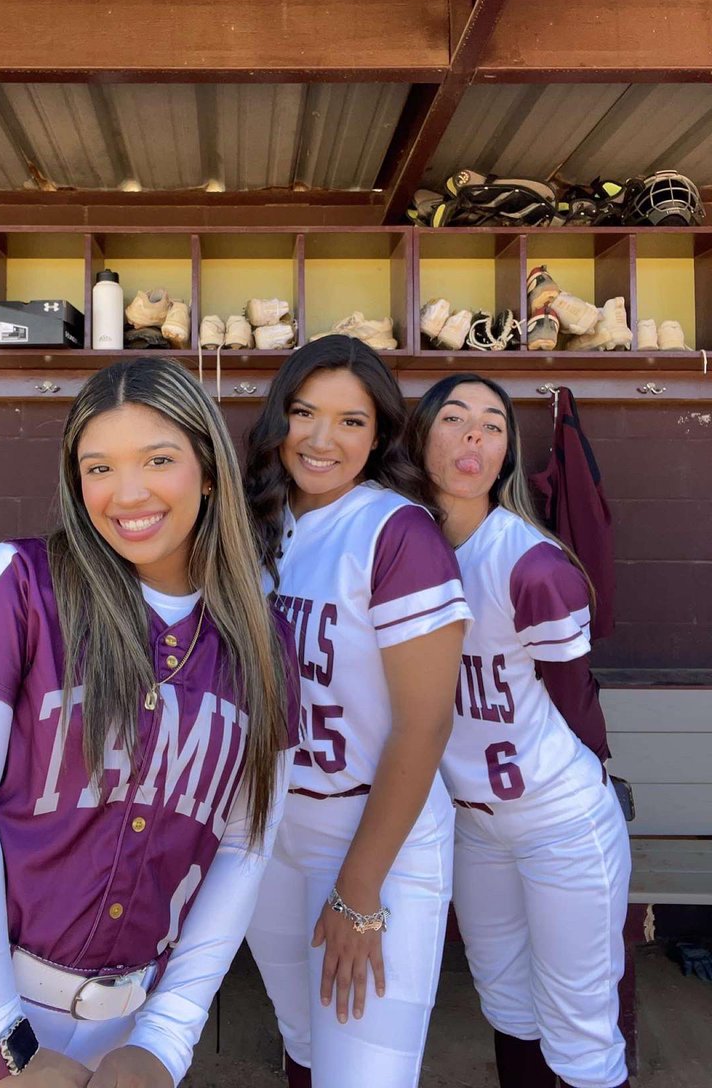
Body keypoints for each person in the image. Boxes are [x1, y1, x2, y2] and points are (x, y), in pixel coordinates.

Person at [0, 357, 299, 1088]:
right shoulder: (18, 586)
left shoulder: (263, 645)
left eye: (159, 459)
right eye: (98, 467)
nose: (128, 492)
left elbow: (245, 846)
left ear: (208, 472)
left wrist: (169, 1039)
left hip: (117, 1028)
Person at [243, 335, 470, 1088]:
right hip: (273, 829)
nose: (320, 439)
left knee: (363, 1074)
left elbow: (425, 723)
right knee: (305, 1042)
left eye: (350, 421)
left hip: (378, 837)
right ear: (278, 418)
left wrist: (360, 890)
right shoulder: (257, 523)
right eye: (304, 412)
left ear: (379, 436)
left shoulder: (396, 532)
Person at [405, 373, 631, 1088]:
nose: (475, 434)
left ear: (505, 454)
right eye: (455, 418)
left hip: (556, 820)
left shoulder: (532, 565)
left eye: (494, 425)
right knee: (505, 1003)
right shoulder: (399, 551)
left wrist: (590, 777)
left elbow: (575, 701)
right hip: (472, 826)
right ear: (419, 439)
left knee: (581, 1029)